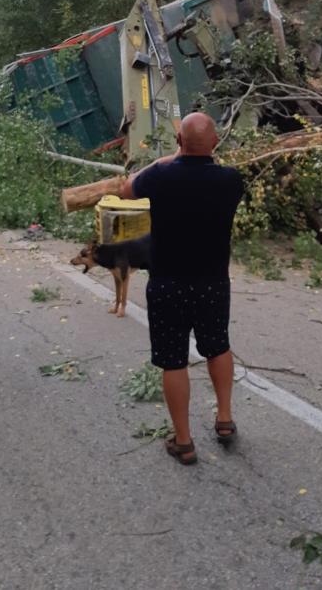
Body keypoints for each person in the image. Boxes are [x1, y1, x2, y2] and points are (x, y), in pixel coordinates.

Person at [119, 111, 245, 465]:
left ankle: (184, 441)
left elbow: (126, 189)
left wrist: (167, 158)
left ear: (178, 142)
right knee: (218, 346)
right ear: (216, 143)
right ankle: (224, 419)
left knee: (173, 360)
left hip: (167, 283)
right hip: (213, 283)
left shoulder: (160, 176)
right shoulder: (231, 181)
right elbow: (211, 173)